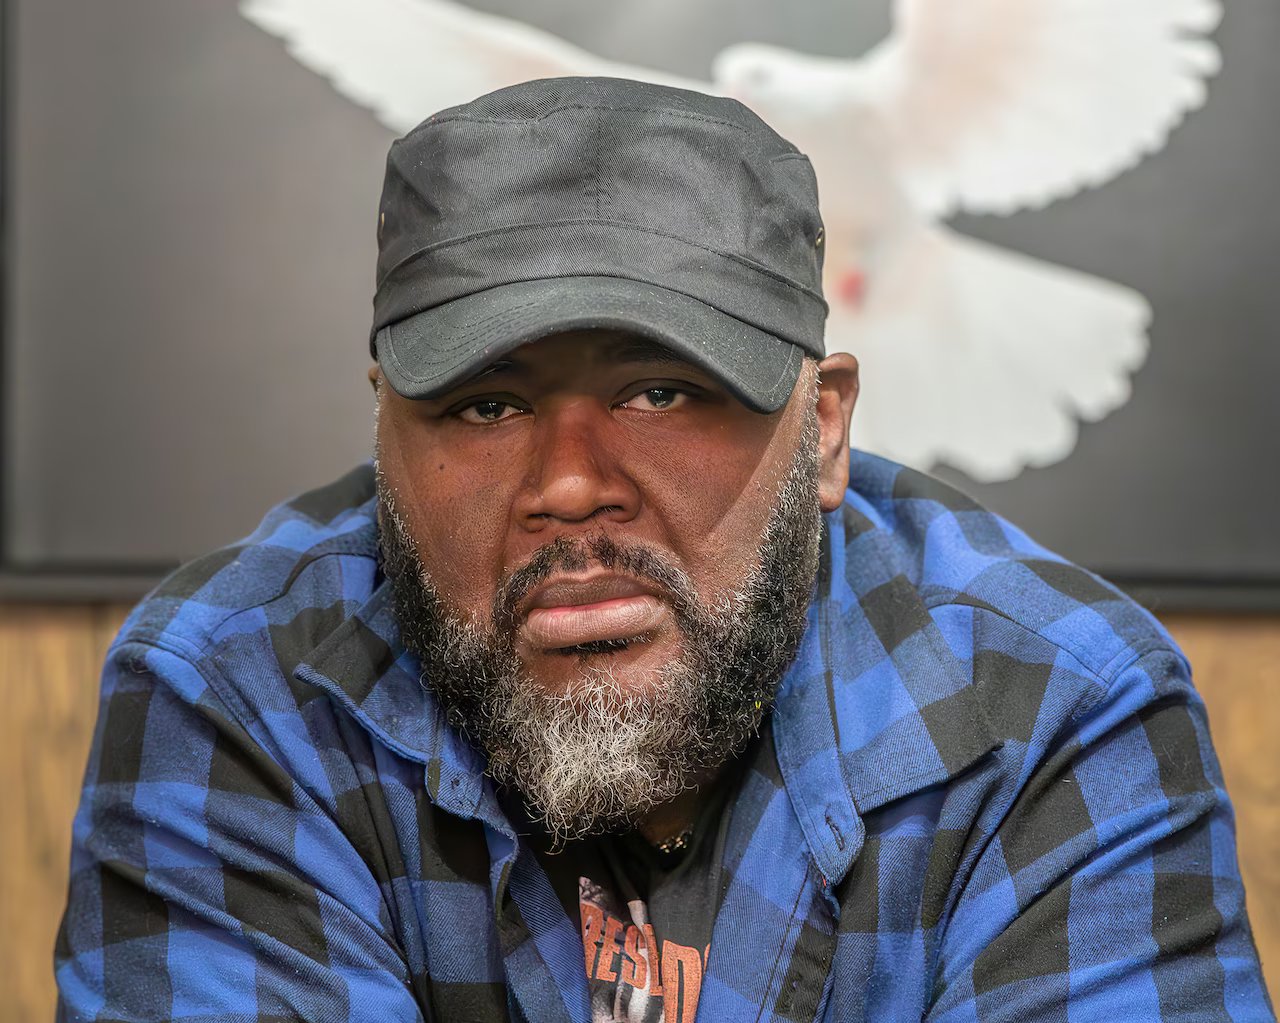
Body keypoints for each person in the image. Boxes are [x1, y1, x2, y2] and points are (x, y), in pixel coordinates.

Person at [56, 76, 1273, 1023]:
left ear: (823, 428)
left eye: (659, 392)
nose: (568, 485)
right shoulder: (234, 684)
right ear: (383, 430)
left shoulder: (1051, 705)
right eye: (485, 405)